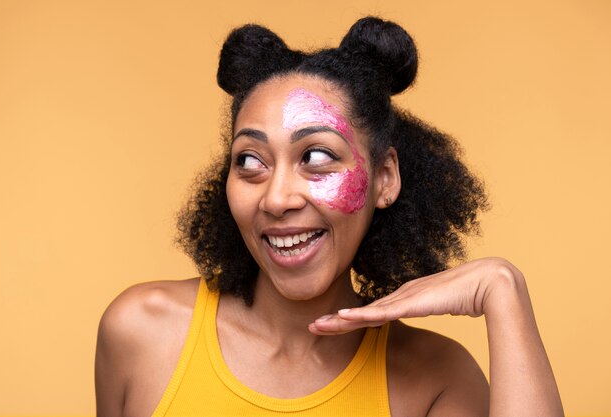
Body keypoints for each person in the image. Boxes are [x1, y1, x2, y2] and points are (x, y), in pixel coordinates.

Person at [95, 17, 564, 417]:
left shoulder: (435, 380)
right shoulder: (142, 331)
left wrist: (504, 289)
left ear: (385, 178)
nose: (276, 198)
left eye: (316, 157)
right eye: (251, 162)